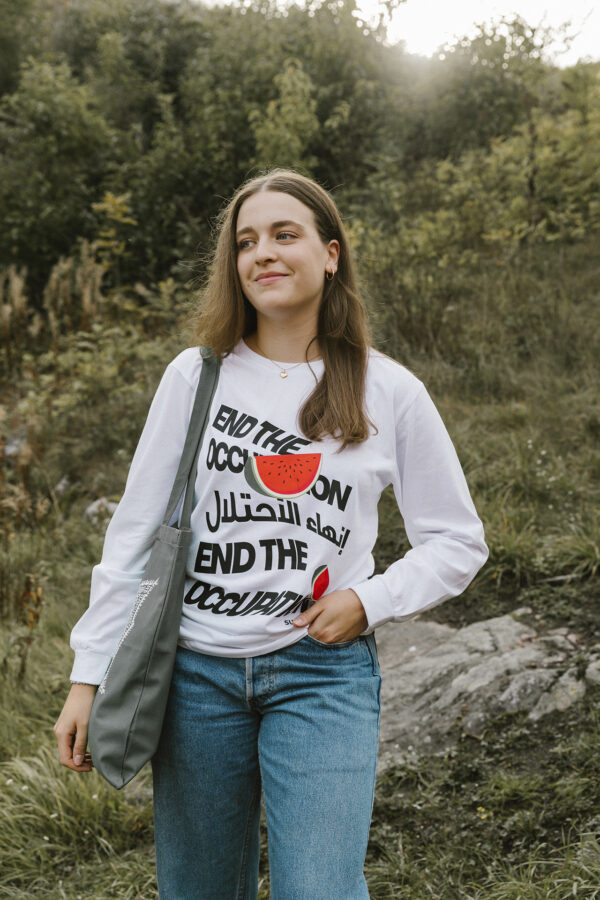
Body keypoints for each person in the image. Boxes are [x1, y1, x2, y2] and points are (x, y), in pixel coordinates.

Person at [54, 168, 488, 899]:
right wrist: (87, 674)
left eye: (285, 235)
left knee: (320, 890)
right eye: (246, 241)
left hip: (321, 675)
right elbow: (132, 535)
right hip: (194, 675)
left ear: (331, 253)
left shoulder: (390, 390)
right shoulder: (196, 378)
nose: (263, 253)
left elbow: (457, 539)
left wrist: (370, 600)